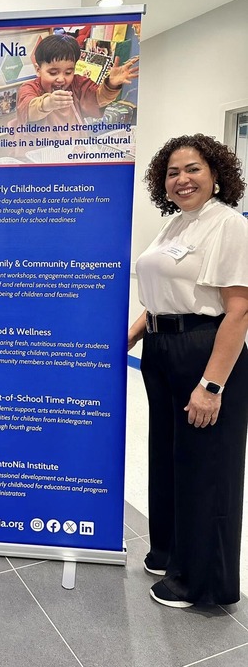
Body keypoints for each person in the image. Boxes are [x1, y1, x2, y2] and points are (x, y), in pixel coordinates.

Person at [128, 134, 248, 608]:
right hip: (162, 348)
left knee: (205, 469)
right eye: (173, 172)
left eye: (193, 169)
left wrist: (212, 385)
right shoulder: (177, 225)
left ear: (216, 173)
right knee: (169, 458)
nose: (183, 179)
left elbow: (238, 311)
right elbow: (159, 296)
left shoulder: (227, 225)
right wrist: (135, 333)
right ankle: (171, 552)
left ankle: (200, 582)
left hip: (205, 352)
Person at [16, 34, 139, 129]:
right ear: (38, 70)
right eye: (53, 73)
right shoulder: (29, 88)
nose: (61, 79)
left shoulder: (78, 84)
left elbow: (98, 98)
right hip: (37, 152)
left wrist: (111, 84)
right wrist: (48, 103)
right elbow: (28, 111)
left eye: (68, 72)